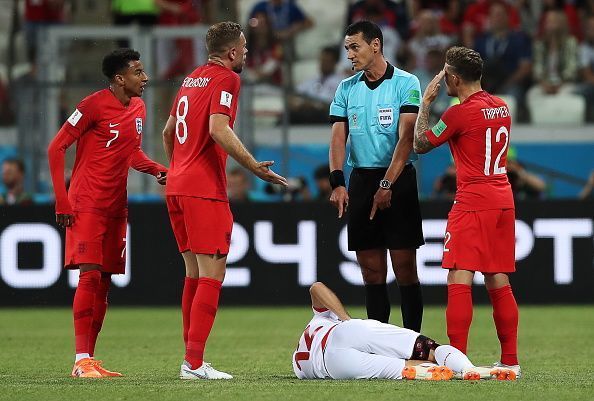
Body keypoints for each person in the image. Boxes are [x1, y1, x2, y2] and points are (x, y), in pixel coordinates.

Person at [161, 21, 288, 380]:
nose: (247, 53)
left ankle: (191, 358)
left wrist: (178, 167)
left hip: (177, 185)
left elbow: (168, 131)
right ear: (232, 52)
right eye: (244, 48)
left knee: (193, 273)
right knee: (213, 274)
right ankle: (195, 363)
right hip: (203, 188)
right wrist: (252, 166)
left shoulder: (191, 78)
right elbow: (219, 128)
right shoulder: (227, 79)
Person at [47, 48, 167, 378]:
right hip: (86, 203)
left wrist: (157, 169)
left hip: (117, 206)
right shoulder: (91, 106)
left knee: (104, 281)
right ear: (119, 78)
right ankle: (80, 358)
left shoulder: (139, 107)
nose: (145, 78)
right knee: (89, 274)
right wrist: (62, 200)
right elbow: (56, 148)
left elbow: (131, 153)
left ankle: (90, 359)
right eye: (138, 72)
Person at [413, 46, 521, 378]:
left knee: (459, 275)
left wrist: (426, 102)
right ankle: (510, 361)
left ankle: (457, 361)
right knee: (497, 278)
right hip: (503, 199)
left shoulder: (459, 113)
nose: (442, 79)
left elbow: (420, 143)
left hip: (473, 201)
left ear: (455, 78)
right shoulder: (501, 107)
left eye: (445, 74)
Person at [329, 21, 425, 332]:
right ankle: (381, 344)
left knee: (405, 268)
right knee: (371, 272)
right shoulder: (346, 88)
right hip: (361, 180)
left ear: (376, 45)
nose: (350, 54)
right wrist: (337, 181)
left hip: (397, 180)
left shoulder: (406, 83)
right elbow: (337, 138)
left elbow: (406, 137)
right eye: (346, 49)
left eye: (354, 47)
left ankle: (412, 344)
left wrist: (387, 184)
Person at [292, 282, 517, 381]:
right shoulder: (319, 319)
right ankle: (468, 368)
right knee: (427, 348)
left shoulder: (297, 364)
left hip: (332, 367)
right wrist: (346, 320)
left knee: (402, 368)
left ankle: (429, 371)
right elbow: (316, 287)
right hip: (347, 331)